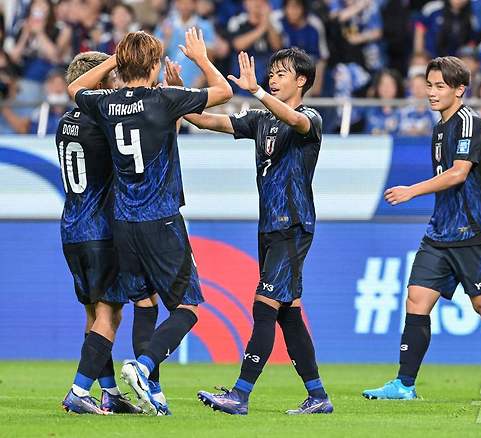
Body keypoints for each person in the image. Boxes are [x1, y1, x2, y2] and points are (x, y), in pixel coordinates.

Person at [66, 28, 233, 415]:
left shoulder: (107, 103)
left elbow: (75, 88)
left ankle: (151, 391)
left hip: (123, 223)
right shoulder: (164, 97)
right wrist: (201, 60)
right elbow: (223, 92)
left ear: (124, 64)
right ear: (156, 64)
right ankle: (143, 367)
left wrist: (113, 60)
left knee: (145, 300)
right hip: (161, 219)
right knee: (188, 307)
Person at [362, 57, 481, 401]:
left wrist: (411, 190)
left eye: (440, 86)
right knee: (416, 299)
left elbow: (458, 173)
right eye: (429, 85)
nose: (432, 92)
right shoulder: (440, 127)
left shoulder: (469, 123)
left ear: (459, 89)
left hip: (471, 232)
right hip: (440, 232)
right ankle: (404, 384)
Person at [177, 47, 332, 415]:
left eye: (281, 74)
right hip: (269, 228)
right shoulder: (262, 120)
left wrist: (257, 92)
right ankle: (318, 396)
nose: (273, 79)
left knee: (263, 307)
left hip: (293, 226)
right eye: (271, 74)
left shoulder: (310, 118)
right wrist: (179, 95)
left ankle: (240, 394)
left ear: (301, 81)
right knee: (288, 312)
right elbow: (205, 121)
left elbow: (297, 121)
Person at [59, 51, 140, 416]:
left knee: (94, 315)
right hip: (100, 229)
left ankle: (107, 392)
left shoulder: (64, 122)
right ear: (99, 80)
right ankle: (79, 390)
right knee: (111, 312)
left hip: (71, 228)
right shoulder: (101, 121)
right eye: (111, 76)